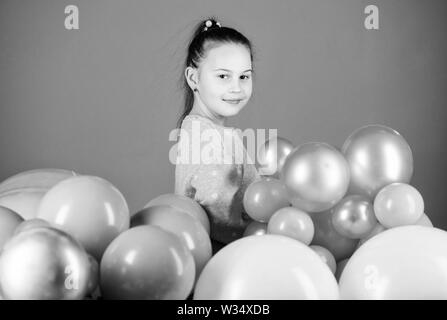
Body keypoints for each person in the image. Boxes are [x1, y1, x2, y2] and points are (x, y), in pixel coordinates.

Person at [174, 18, 261, 247]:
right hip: (226, 262)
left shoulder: (200, 128)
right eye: (223, 76)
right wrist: (267, 224)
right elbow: (218, 218)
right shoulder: (206, 136)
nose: (236, 88)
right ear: (194, 78)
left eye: (244, 76)